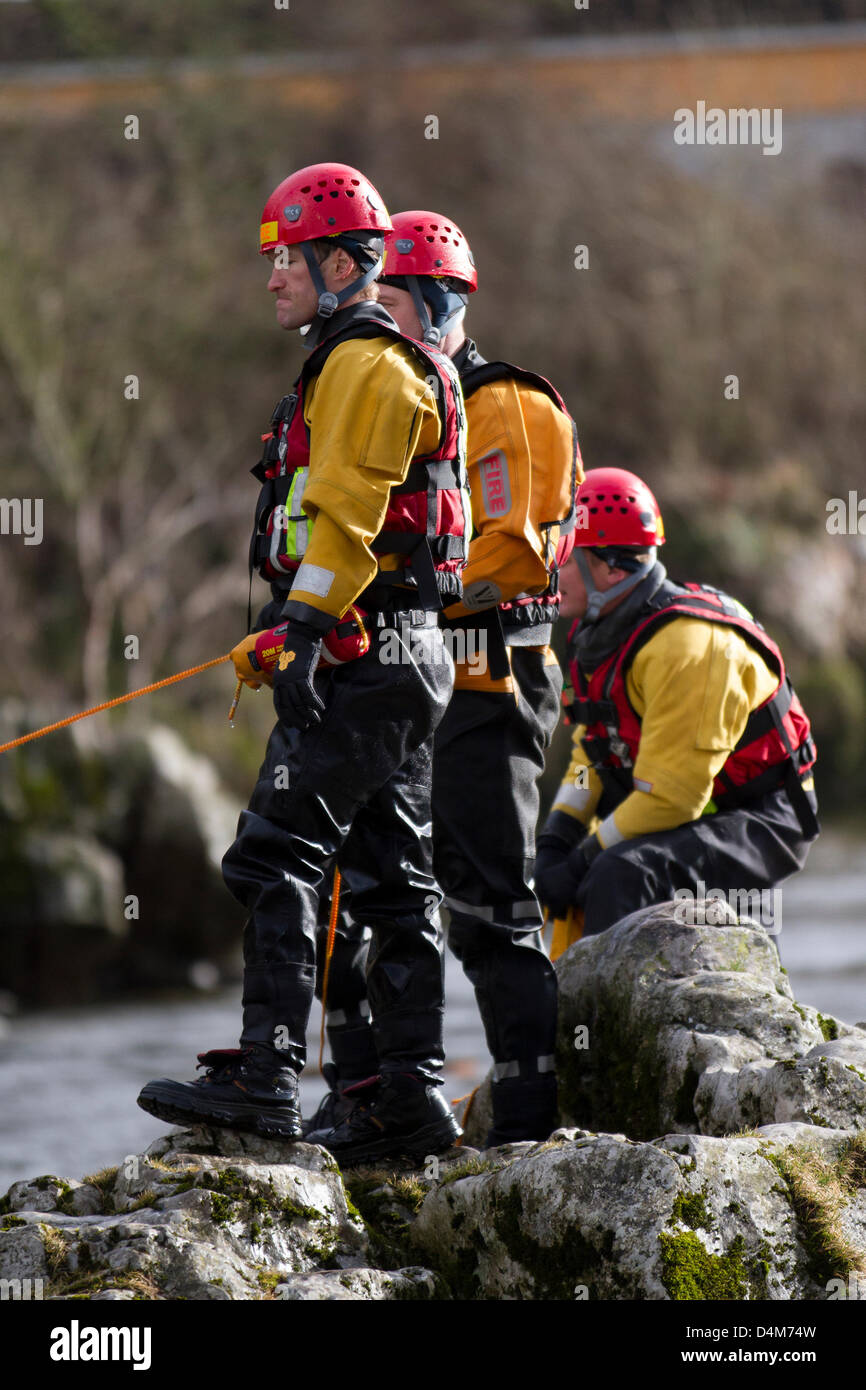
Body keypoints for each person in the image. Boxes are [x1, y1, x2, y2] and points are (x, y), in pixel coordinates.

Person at [137, 165, 472, 1165]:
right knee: (390, 877)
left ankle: (267, 1075)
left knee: (274, 852)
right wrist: (292, 620)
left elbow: (349, 517)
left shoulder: (364, 365)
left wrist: (306, 623)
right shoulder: (361, 359)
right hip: (399, 652)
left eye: (283, 259)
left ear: (337, 263)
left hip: (364, 655)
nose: (271, 277)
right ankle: (402, 1099)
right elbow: (345, 533)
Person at [305, 210, 583, 1150]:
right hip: (396, 674)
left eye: (391, 296)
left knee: (489, 901)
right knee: (351, 887)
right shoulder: (386, 387)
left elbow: (511, 551)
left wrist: (409, 598)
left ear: (438, 299)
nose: (375, 313)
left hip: (486, 672)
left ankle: (529, 1124)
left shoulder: (505, 403)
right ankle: (368, 1097)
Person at [534, 467, 818, 942]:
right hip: (680, 801)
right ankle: (568, 1008)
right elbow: (592, 757)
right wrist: (557, 838)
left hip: (761, 819)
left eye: (563, 556)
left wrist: (583, 858)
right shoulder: (600, 634)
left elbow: (674, 798)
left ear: (609, 568)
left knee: (615, 875)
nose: (550, 569)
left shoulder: (688, 647)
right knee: (576, 875)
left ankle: (616, 1014)